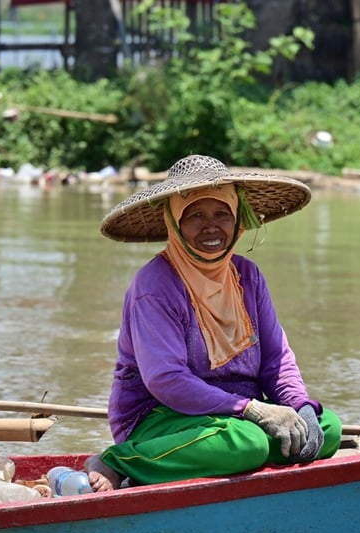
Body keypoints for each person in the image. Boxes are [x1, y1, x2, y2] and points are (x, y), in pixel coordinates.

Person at [86, 154, 342, 491]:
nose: (211, 226)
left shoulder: (248, 276)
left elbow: (277, 360)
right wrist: (252, 411)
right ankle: (120, 461)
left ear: (237, 220)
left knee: (328, 427)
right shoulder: (155, 285)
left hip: (241, 417)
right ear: (174, 223)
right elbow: (166, 380)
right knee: (248, 443)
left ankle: (244, 453)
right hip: (162, 418)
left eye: (222, 213)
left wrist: (299, 406)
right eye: (195, 216)